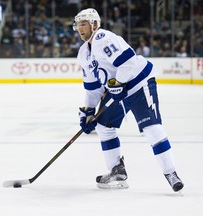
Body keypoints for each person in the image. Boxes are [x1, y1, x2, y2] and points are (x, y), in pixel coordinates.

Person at [74, 8, 184, 192]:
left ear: (95, 25)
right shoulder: (83, 54)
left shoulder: (103, 38)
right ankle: (117, 171)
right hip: (118, 88)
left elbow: (128, 61)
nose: (80, 29)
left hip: (139, 83)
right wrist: (88, 112)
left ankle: (171, 173)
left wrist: (118, 82)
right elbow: (93, 88)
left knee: (152, 128)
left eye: (83, 24)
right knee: (103, 126)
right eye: (77, 25)